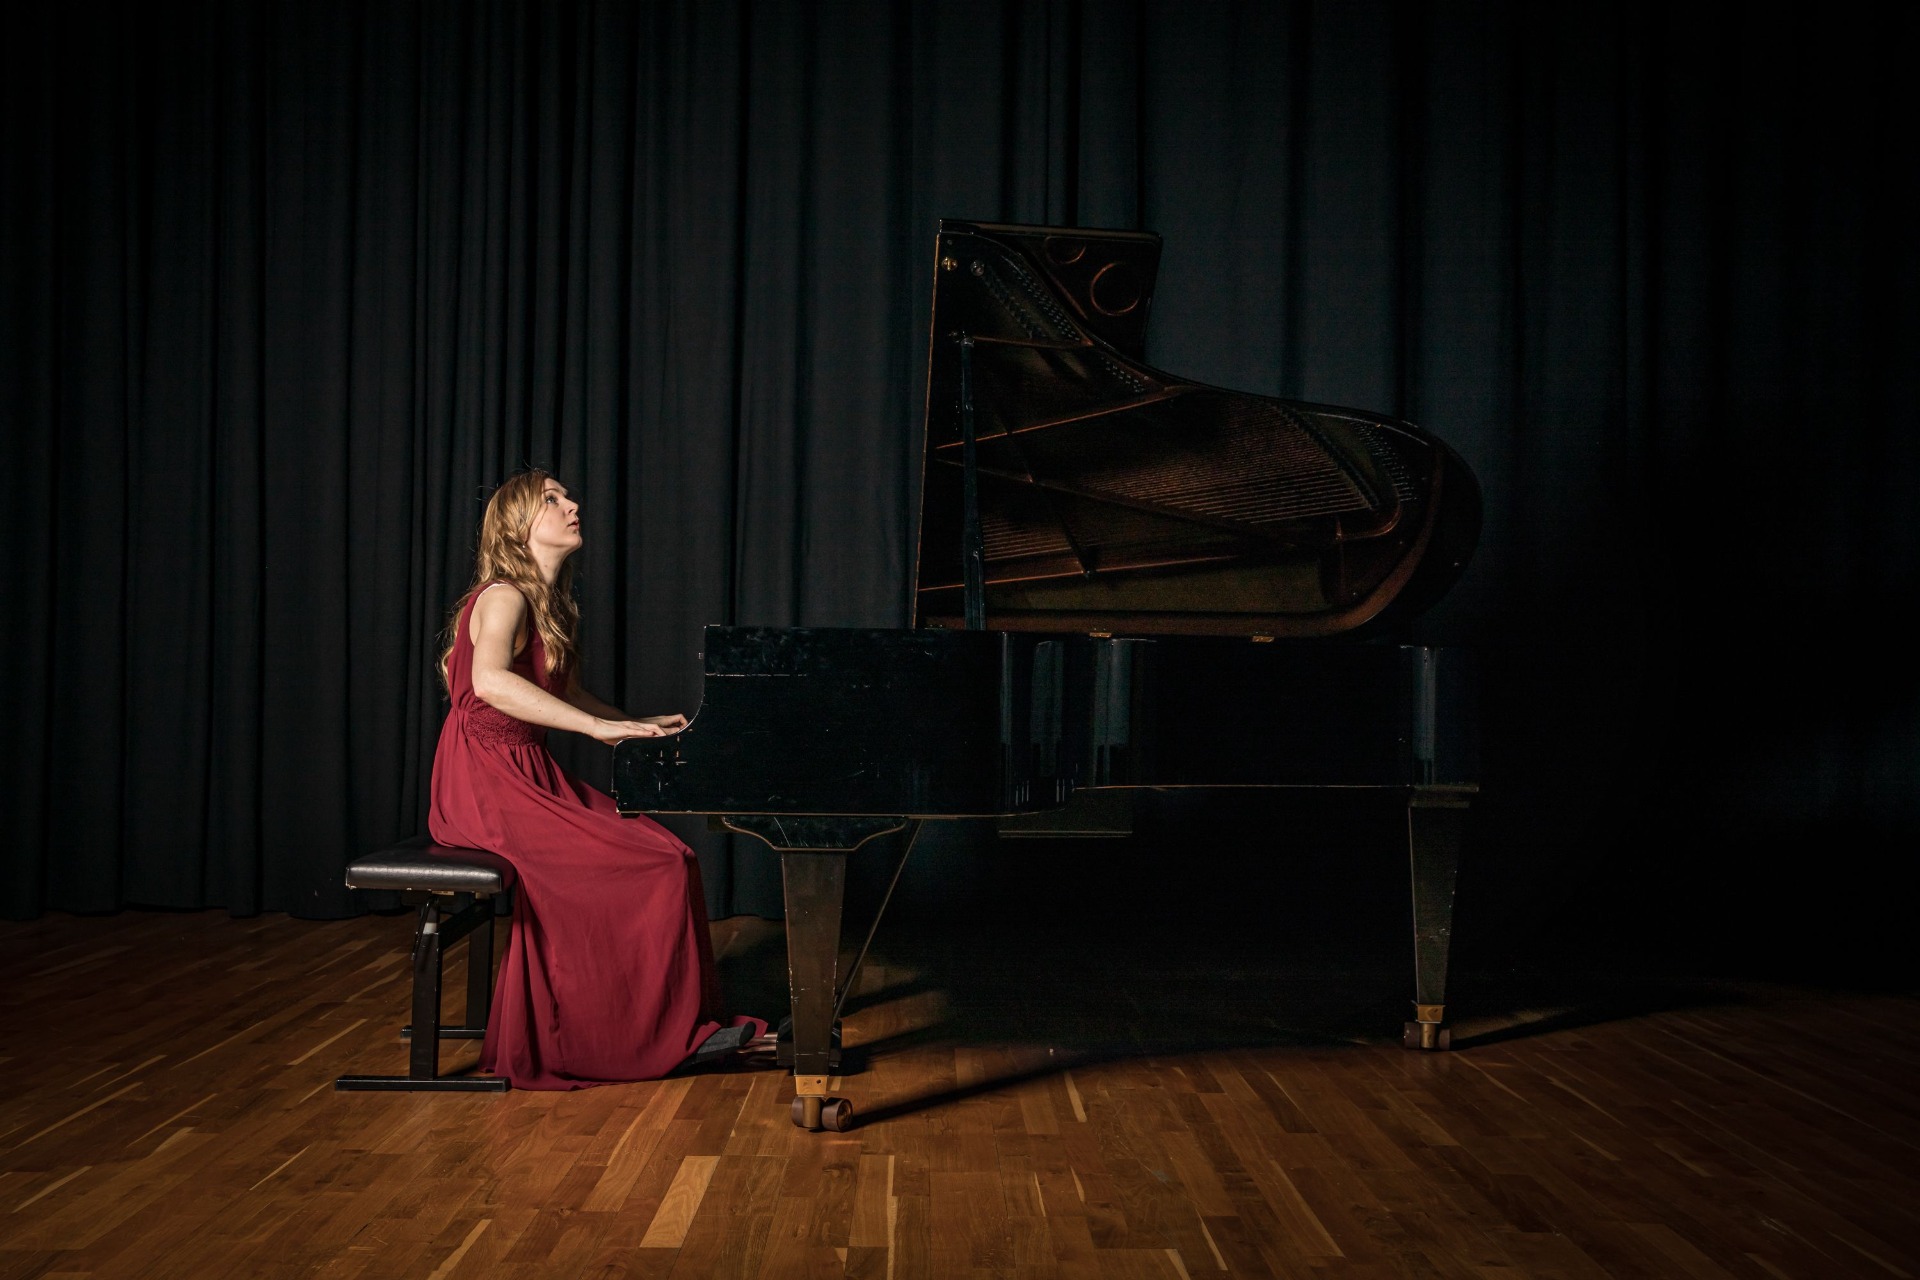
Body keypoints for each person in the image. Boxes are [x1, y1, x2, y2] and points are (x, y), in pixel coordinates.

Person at [428, 469, 764, 1088]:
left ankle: (674, 1025)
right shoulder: (503, 596)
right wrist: (595, 729)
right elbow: (489, 682)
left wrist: (630, 722)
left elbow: (566, 692)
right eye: (551, 499)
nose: (572, 504)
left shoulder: (548, 606)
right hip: (483, 780)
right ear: (518, 525)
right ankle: (622, 1036)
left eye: (567, 495)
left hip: (527, 772)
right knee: (648, 865)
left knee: (671, 854)